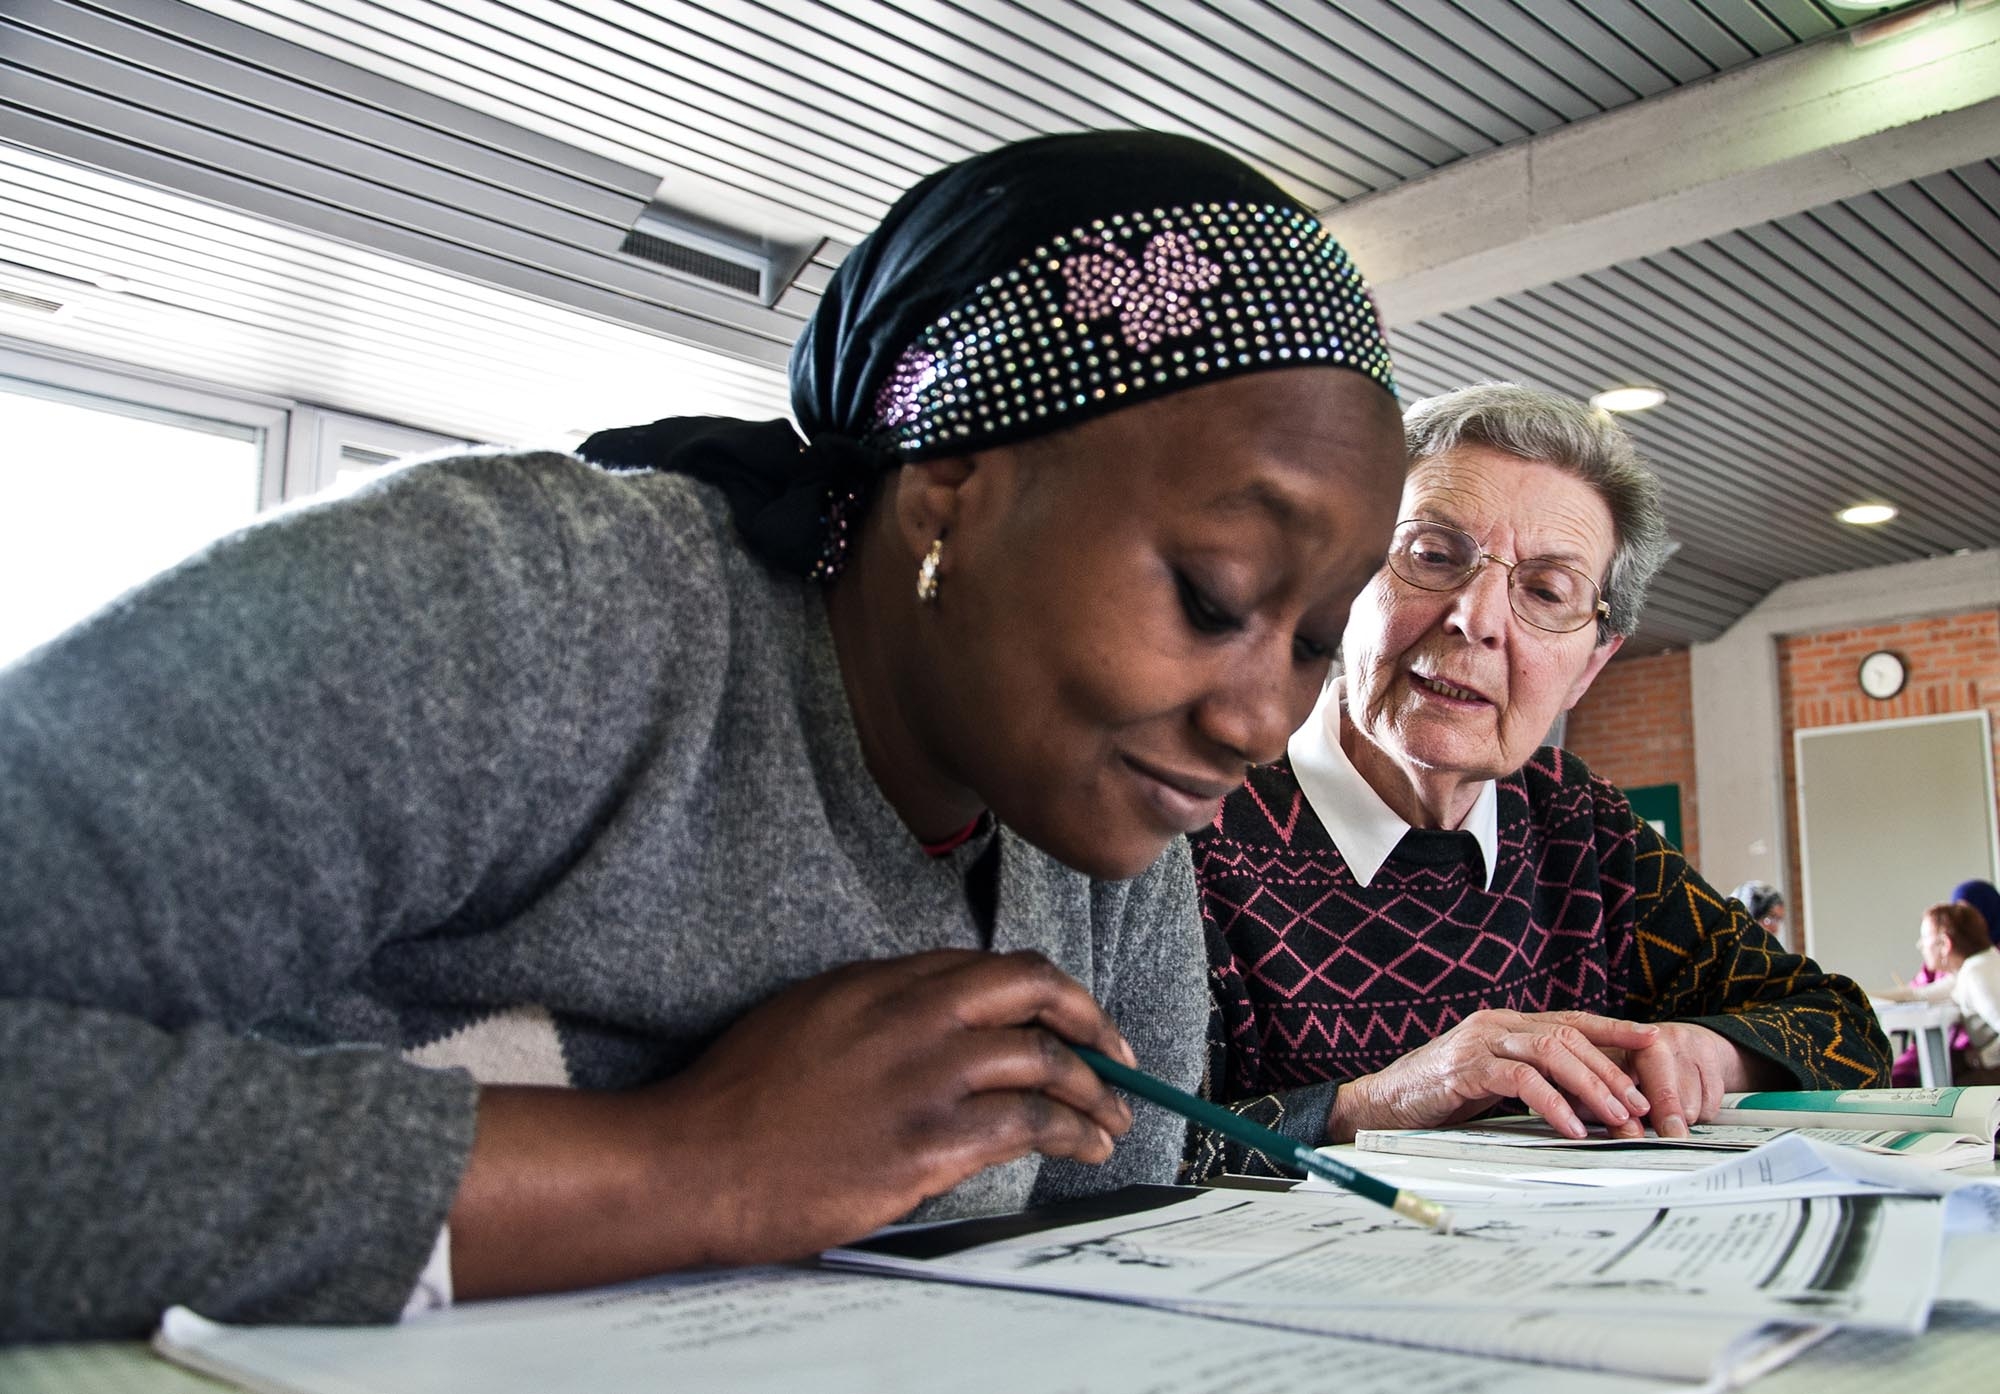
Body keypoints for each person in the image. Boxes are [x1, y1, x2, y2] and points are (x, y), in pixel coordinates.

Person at [0, 131, 1411, 1339]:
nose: (1260, 716)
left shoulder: (1109, 829)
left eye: (1311, 640)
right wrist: (687, 1163)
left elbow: (1106, 1273)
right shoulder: (526, 612)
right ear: (951, 486)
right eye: (1214, 593)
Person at [1187, 383, 1888, 1178]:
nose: (1476, 618)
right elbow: (1095, 1152)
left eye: (1547, 592)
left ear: (1590, 666)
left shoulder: (1576, 823)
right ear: (1346, 575)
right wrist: (1370, 1105)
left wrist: (1702, 1054)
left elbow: (1845, 1031)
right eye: (1432, 554)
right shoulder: (1190, 810)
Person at [1886, 879, 1996, 1085]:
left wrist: (1985, 1057)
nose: (1920, 946)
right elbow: (1916, 994)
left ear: (1945, 943)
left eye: (1925, 938)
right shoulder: (1971, 969)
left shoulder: (1976, 975)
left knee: (1948, 1088)